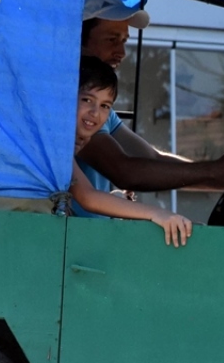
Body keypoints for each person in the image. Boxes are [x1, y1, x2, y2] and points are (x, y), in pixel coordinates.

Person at [76, 0, 224, 195]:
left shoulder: (98, 106)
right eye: (111, 40)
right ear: (77, 39)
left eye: (124, 41)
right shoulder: (74, 103)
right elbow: (125, 172)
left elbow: (151, 159)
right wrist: (217, 171)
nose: (122, 53)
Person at [71, 57, 193, 247]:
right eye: (87, 100)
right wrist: (156, 213)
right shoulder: (56, 143)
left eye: (105, 106)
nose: (95, 112)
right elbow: (87, 197)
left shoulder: (74, 143)